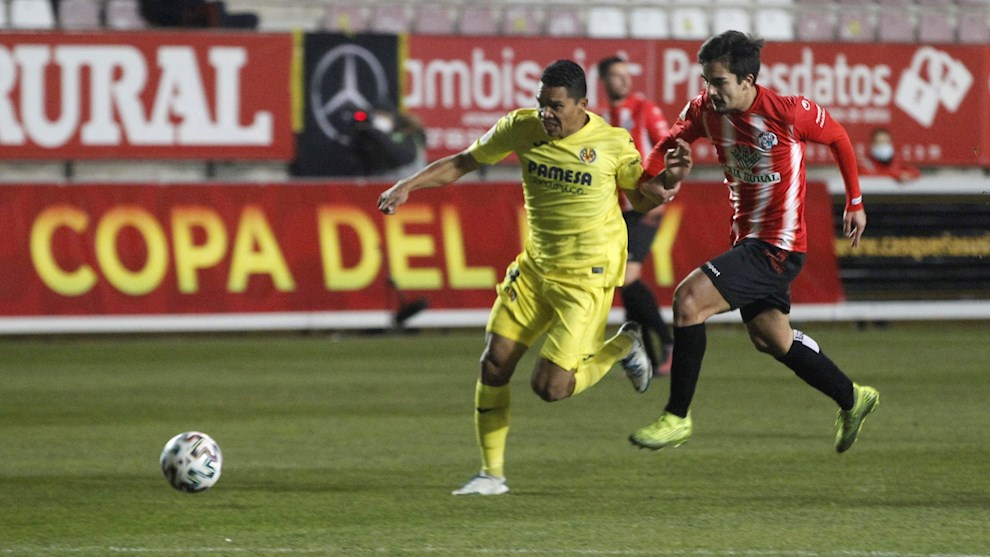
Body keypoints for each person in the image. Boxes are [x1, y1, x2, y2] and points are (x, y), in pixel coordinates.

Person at [378, 60, 693, 495]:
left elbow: (641, 199)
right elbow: (465, 161)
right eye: (542, 103)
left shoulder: (612, 142)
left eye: (556, 106)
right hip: (535, 267)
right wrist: (407, 186)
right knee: (493, 363)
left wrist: (671, 178)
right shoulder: (521, 127)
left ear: (582, 104)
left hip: (586, 276)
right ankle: (491, 475)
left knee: (550, 387)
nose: (546, 113)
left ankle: (623, 345)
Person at [628, 31, 879, 454]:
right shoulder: (704, 110)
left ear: (747, 80)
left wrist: (855, 201)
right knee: (771, 338)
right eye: (706, 80)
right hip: (747, 240)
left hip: (779, 246)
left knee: (688, 301)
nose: (710, 90)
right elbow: (668, 144)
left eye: (719, 82)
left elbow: (838, 136)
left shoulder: (787, 112)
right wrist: (654, 178)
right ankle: (854, 398)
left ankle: (677, 417)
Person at [597, 55, 675, 377]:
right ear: (604, 80)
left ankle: (669, 342)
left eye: (626, 74)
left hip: (645, 205)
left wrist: (662, 186)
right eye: (616, 75)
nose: (624, 80)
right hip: (617, 211)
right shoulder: (601, 118)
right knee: (623, 283)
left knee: (627, 276)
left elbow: (669, 146)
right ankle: (646, 359)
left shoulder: (644, 109)